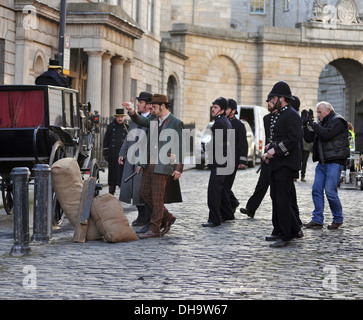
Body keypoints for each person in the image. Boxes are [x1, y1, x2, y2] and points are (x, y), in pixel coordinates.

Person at [124, 94, 184, 239]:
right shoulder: (153, 119)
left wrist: (178, 168)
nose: (151, 109)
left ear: (163, 106)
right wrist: (132, 111)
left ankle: (154, 229)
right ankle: (168, 217)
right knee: (144, 193)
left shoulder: (176, 123)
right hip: (149, 164)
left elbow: (180, 146)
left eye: (154, 107)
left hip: (163, 165)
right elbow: (140, 120)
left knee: (157, 198)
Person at [262, 81, 303, 247]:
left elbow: (293, 139)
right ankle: (284, 229)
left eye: (274, 97)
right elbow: (279, 137)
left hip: (286, 163)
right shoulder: (280, 114)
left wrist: (274, 150)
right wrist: (270, 147)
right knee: (276, 197)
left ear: (282, 98)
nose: (271, 100)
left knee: (283, 199)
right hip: (277, 163)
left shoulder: (292, 115)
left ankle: (286, 235)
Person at [302, 101, 350, 230]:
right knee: (316, 190)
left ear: (328, 111)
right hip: (323, 163)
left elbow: (326, 134)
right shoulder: (322, 123)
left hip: (334, 162)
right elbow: (309, 138)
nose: (318, 115)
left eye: (319, 112)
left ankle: (338, 219)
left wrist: (312, 123)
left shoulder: (338, 121)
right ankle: (317, 220)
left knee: (330, 192)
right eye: (317, 112)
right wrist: (305, 125)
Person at [119, 92, 153, 229]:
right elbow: (129, 137)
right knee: (133, 188)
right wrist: (122, 153)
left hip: (144, 159)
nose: (138, 103)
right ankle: (140, 215)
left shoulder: (152, 120)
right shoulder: (134, 120)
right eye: (138, 102)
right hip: (132, 158)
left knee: (142, 188)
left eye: (141, 102)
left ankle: (147, 216)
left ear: (148, 105)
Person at [240, 94, 276, 218]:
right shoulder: (266, 119)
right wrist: (265, 153)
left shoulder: (283, 118)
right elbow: (268, 138)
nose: (268, 104)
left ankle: (292, 218)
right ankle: (251, 208)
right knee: (261, 184)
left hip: (279, 157)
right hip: (268, 157)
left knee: (281, 192)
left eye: (270, 102)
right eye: (268, 102)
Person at [202, 97, 235, 227]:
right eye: (213, 107)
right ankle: (227, 214)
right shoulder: (224, 121)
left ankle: (214, 218)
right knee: (220, 190)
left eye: (215, 107)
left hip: (220, 161)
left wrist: (206, 146)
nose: (213, 109)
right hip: (224, 160)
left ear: (221, 110)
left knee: (214, 191)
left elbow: (216, 143)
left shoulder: (220, 122)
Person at [224, 98, 248, 212]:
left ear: (233, 110)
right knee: (223, 185)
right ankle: (233, 202)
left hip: (233, 160)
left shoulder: (239, 125)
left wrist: (242, 160)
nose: (225, 110)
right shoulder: (222, 122)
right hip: (222, 159)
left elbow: (243, 143)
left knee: (226, 185)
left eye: (227, 108)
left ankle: (228, 210)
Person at [103, 108, 129, 195]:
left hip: (124, 156)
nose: (120, 119)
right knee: (113, 175)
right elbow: (106, 140)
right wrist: (106, 153)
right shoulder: (111, 127)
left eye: (121, 117)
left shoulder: (127, 127)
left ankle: (124, 192)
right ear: (116, 117)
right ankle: (111, 191)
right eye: (118, 117)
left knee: (123, 174)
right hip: (113, 155)